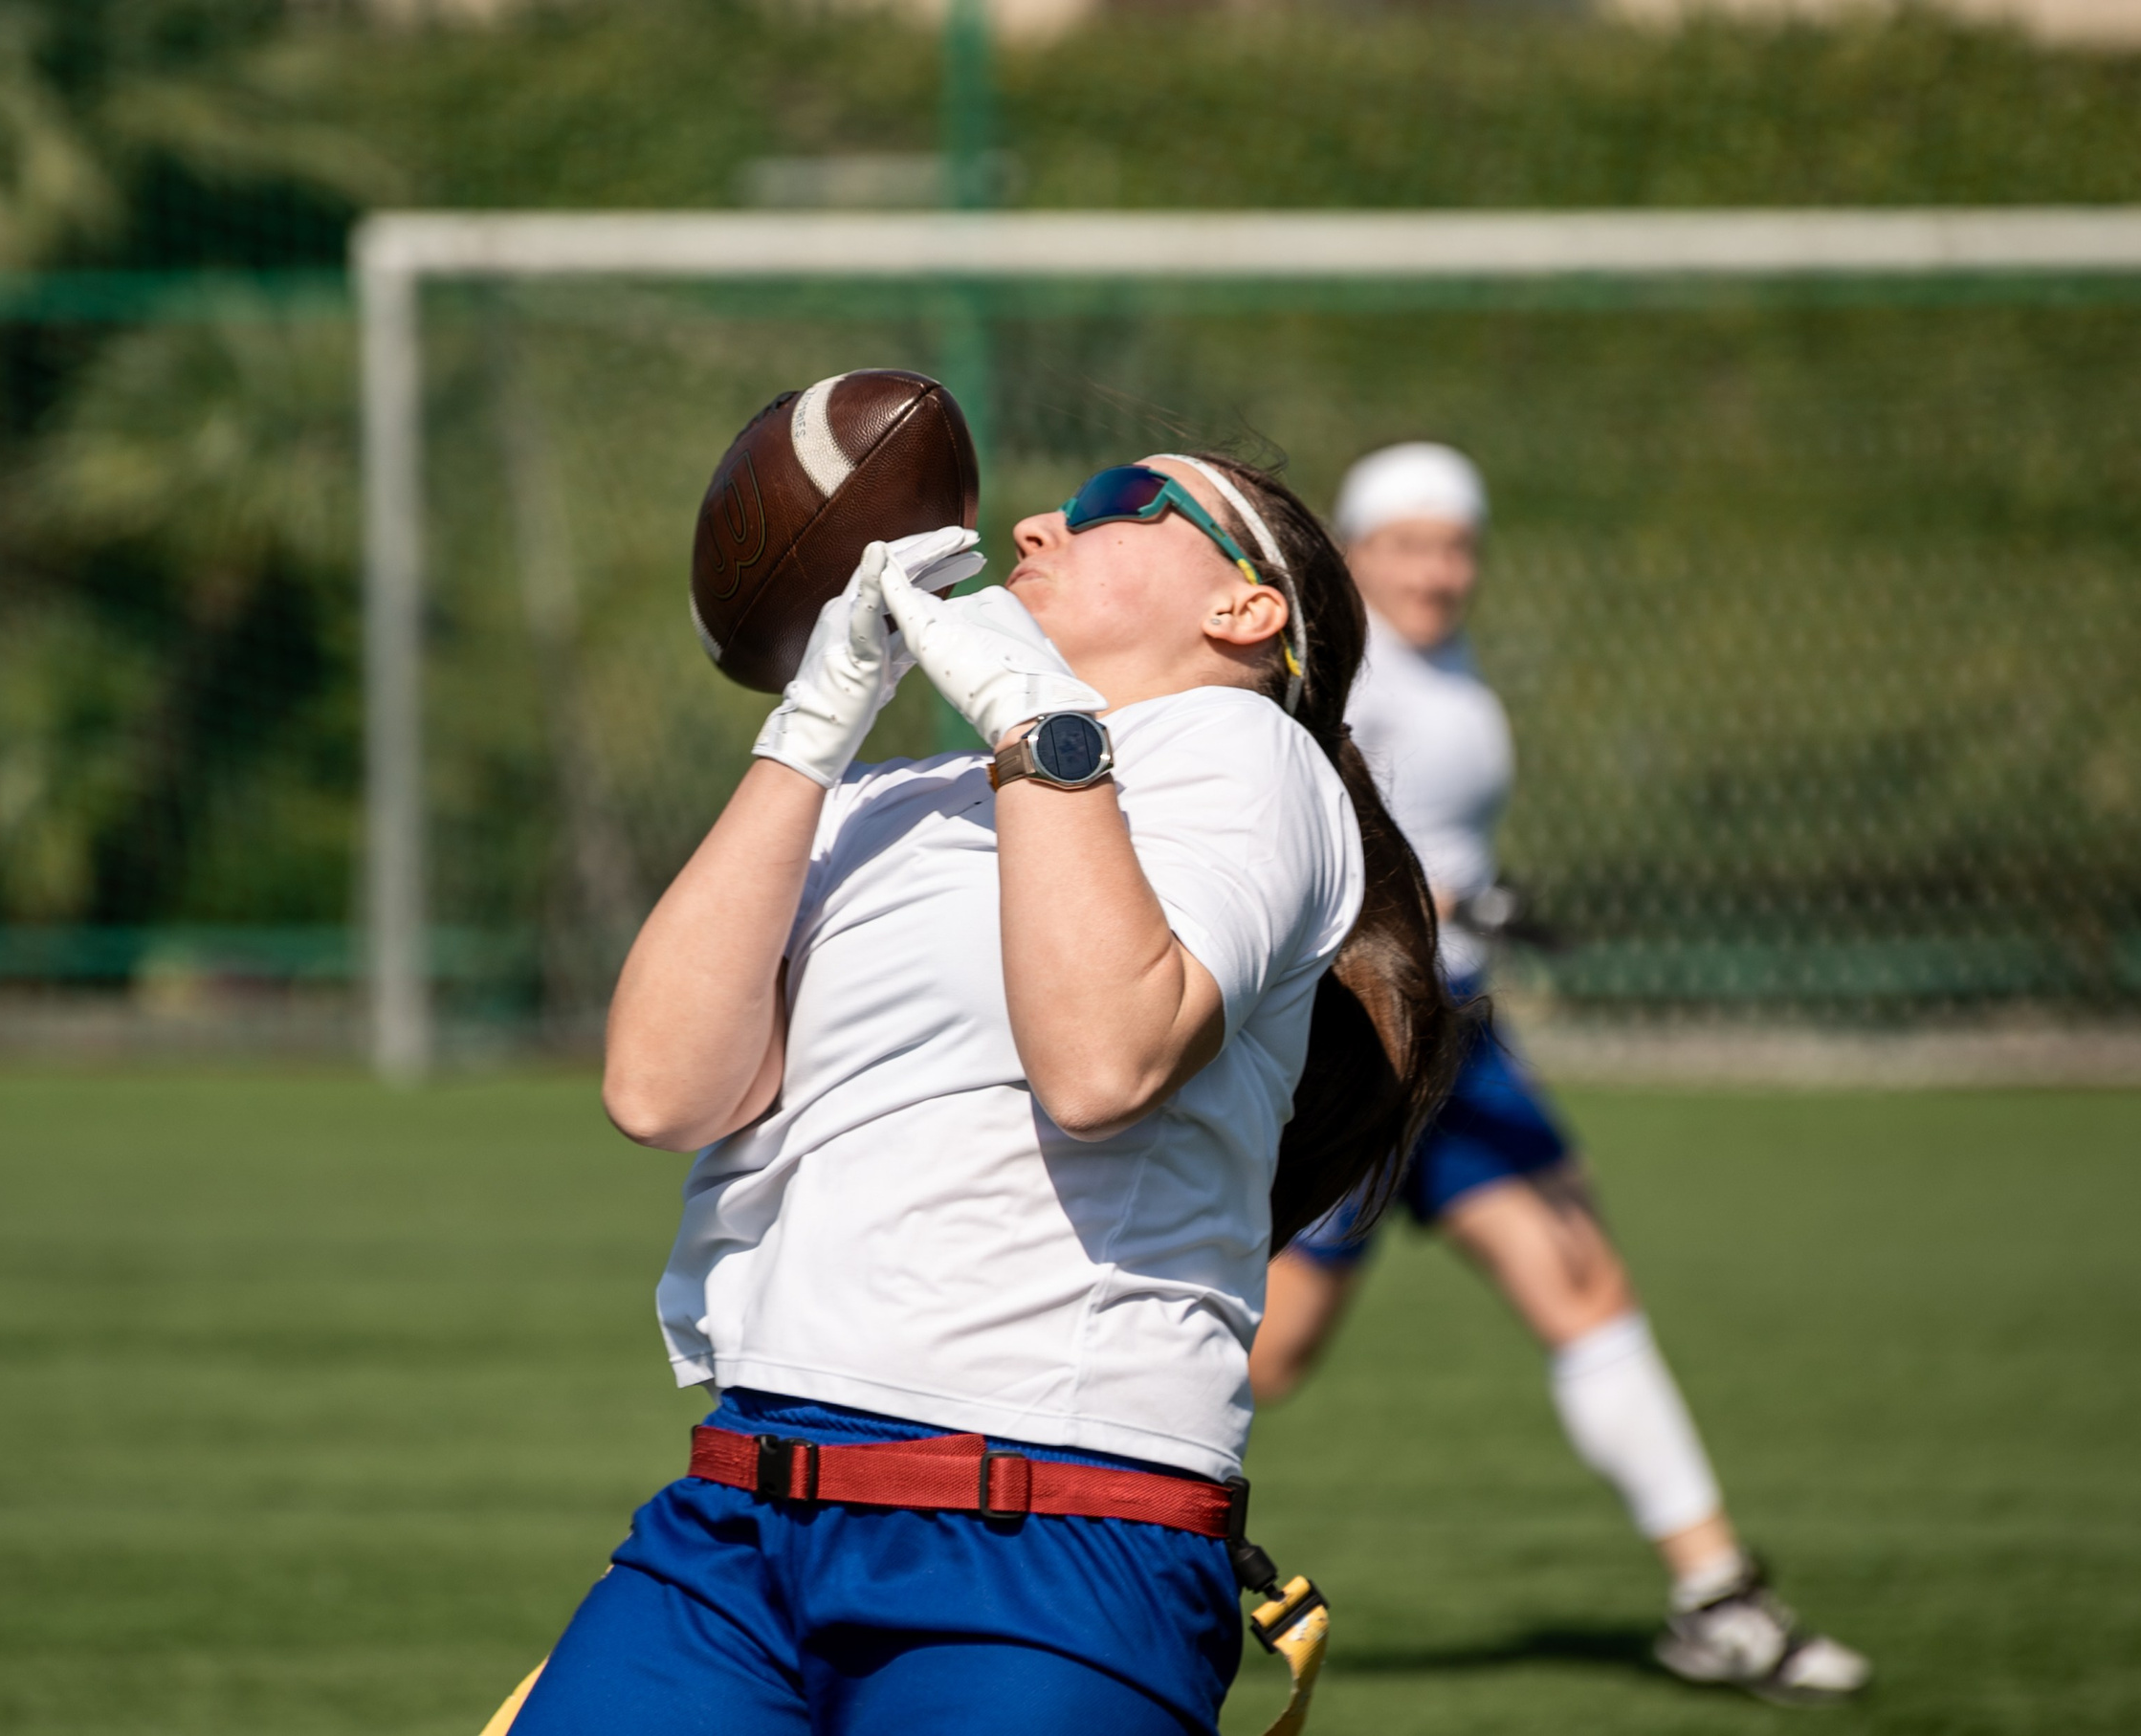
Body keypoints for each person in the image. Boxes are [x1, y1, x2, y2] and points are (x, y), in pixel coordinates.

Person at [505, 452, 1460, 1734]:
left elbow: (1104, 1062)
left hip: (1048, 1521)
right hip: (742, 1510)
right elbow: (660, 1090)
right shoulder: (889, 798)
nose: (1037, 522)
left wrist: (1037, 722)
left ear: (1245, 609)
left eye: (1120, 502)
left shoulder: (1242, 753)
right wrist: (811, 729)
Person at [1246, 442, 1872, 1706]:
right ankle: (1081, 1522)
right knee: (1267, 1349)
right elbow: (1300, 844)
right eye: (1408, 545)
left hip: (1459, 1039)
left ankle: (1716, 1598)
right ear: (1356, 553)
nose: (1437, 570)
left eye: (1456, 545)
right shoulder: (1346, 671)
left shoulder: (1445, 665)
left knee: (1580, 1280)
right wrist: (1447, 901)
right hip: (1359, 1040)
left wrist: (1468, 904)